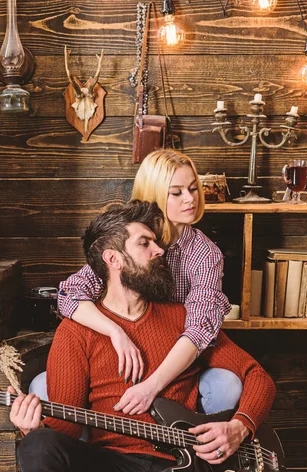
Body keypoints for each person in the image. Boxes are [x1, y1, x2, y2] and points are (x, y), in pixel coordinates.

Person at [9, 201, 276, 472]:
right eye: (146, 243)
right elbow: (65, 428)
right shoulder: (75, 332)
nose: (160, 252)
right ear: (114, 259)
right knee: (37, 447)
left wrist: (239, 427)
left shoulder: (182, 319)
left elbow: (258, 378)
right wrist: (32, 425)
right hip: (108, 470)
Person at [57, 149, 242, 417]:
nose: (190, 199)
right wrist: (115, 332)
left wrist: (152, 386)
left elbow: (199, 330)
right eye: (176, 192)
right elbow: (69, 294)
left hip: (175, 360)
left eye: (193, 188)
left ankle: (192, 449)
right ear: (155, 193)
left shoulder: (205, 254)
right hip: (119, 351)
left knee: (227, 386)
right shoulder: (129, 237)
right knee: (42, 386)